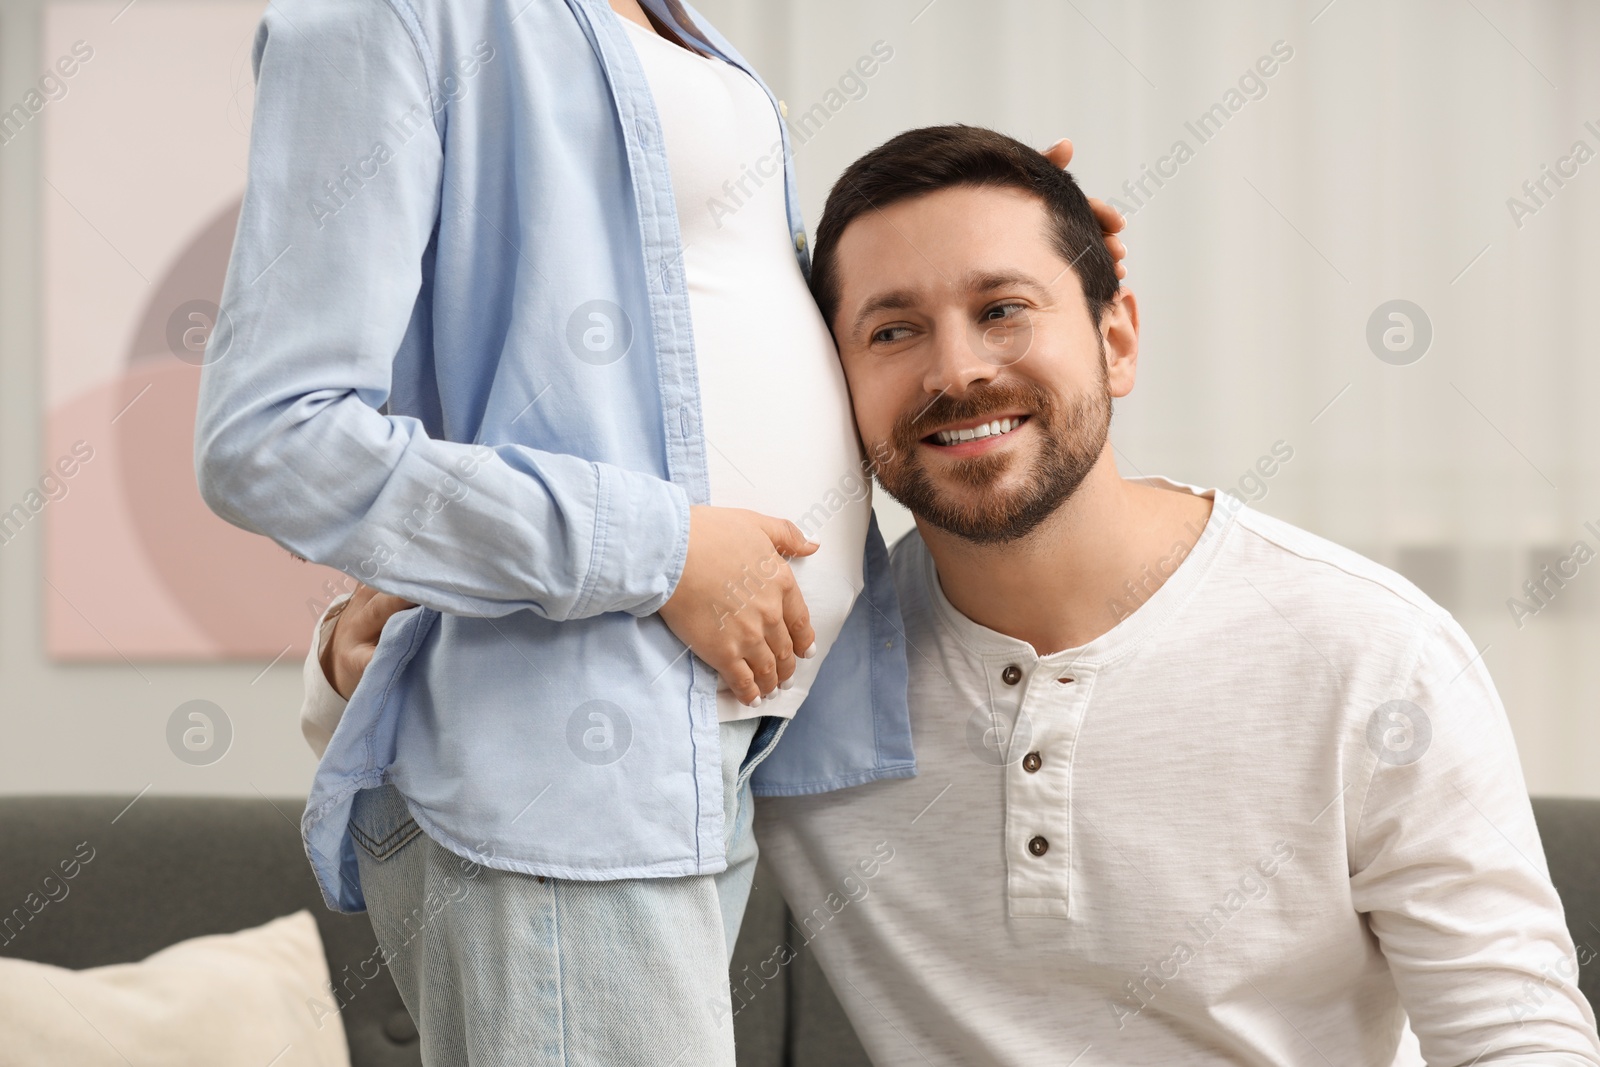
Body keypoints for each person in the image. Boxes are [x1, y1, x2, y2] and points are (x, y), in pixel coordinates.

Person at [316, 124, 1600, 1065]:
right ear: (833, 382)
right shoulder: (801, 656)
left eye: (1005, 308)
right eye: (891, 330)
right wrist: (365, 647)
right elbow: (505, 777)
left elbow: (1516, 1037)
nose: (958, 370)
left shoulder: (1367, 652)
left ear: (1116, 336)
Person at [194, 0, 1122, 1061]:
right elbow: (268, 440)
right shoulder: (399, 16)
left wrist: (992, 259)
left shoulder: (672, 23)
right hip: (569, 766)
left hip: (710, 750)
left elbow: (678, 328)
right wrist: (662, 546)